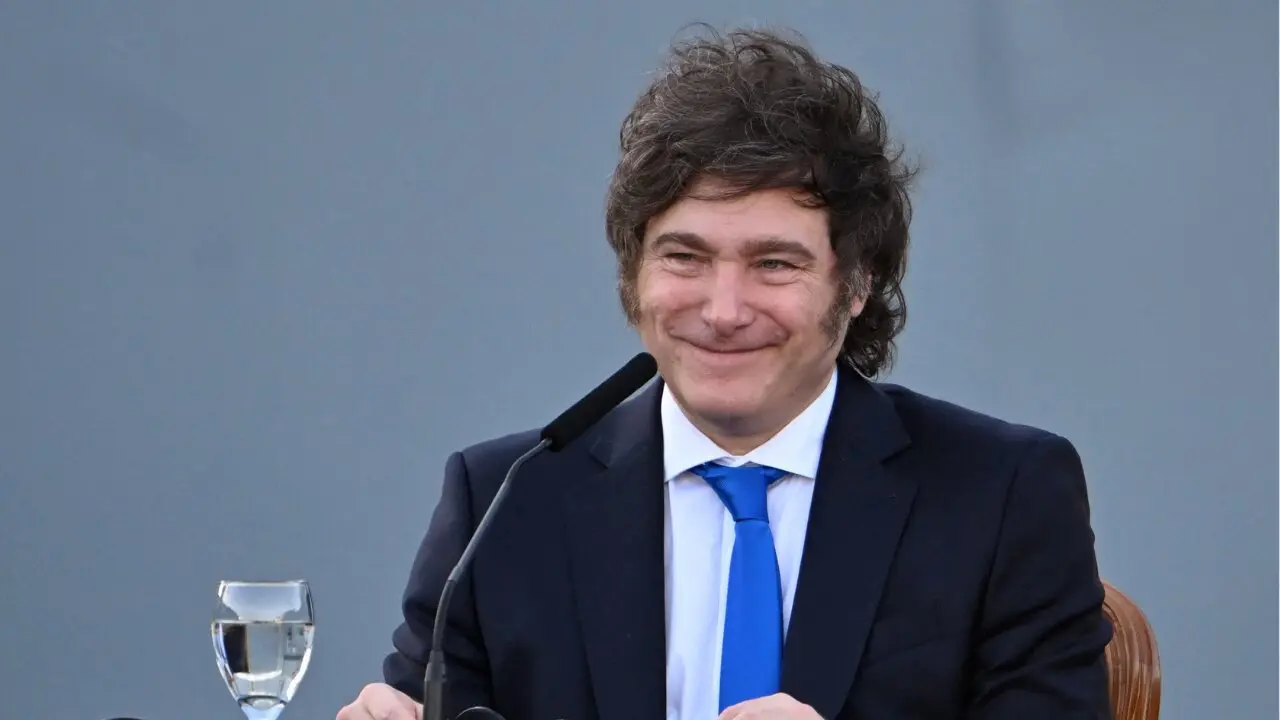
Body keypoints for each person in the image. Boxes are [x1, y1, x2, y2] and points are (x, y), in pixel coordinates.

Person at [337, 25, 1112, 720]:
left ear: (857, 284)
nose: (723, 310)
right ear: (633, 273)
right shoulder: (505, 500)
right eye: (685, 257)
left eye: (774, 263)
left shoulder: (1000, 494)